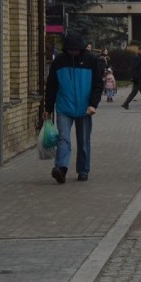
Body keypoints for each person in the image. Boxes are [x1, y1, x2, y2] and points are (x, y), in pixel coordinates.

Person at [44, 33, 104, 184]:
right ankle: (61, 168)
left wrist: (93, 104)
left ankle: (83, 170)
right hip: (64, 107)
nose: (73, 52)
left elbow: (98, 84)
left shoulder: (91, 60)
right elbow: (51, 85)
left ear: (81, 49)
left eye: (75, 50)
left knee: (83, 141)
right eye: (70, 50)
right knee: (63, 139)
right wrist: (48, 107)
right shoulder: (59, 61)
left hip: (85, 108)